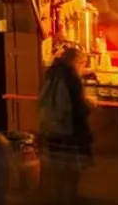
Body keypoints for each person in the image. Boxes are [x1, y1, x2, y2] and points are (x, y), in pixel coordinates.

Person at [37, 46, 91, 205]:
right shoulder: (72, 79)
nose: (82, 68)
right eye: (82, 64)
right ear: (75, 62)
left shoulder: (50, 74)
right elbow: (80, 109)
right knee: (71, 177)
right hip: (70, 133)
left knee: (57, 176)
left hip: (51, 132)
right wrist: (88, 105)